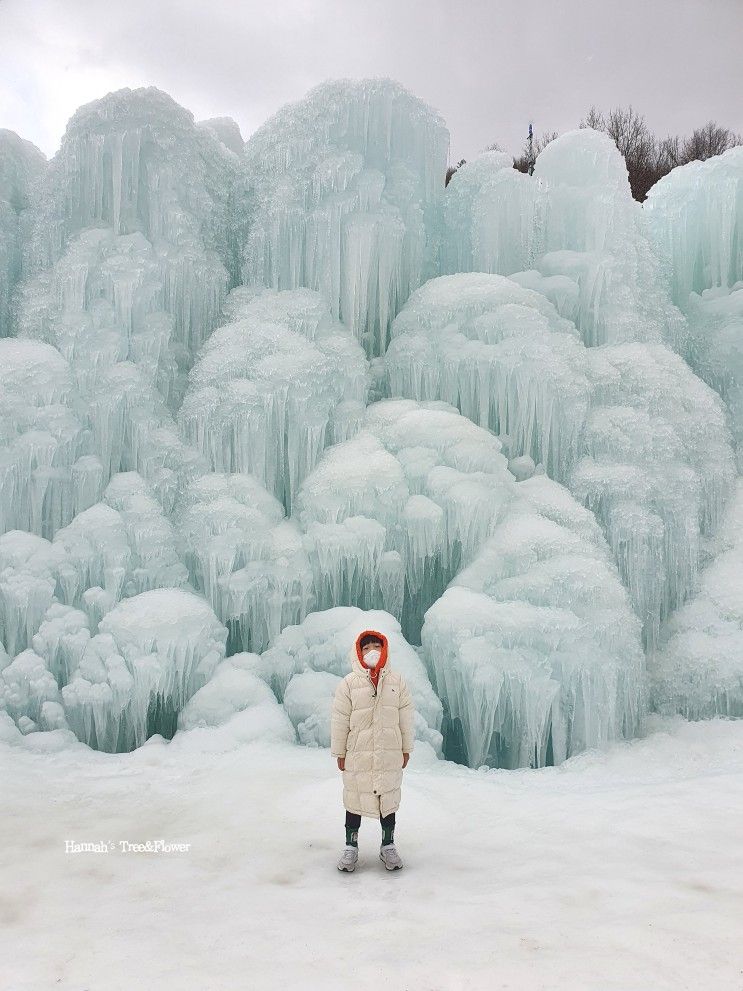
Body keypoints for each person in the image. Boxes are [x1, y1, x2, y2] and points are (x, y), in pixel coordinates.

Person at [330, 629, 415, 872]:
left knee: (388, 798)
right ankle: (351, 846)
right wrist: (340, 753)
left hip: (389, 751)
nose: (371, 652)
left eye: (375, 647)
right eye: (366, 648)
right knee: (354, 797)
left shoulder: (397, 682)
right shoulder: (349, 683)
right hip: (358, 752)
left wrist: (406, 748)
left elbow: (405, 716)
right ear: (358, 653)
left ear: (384, 650)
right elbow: (340, 719)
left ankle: (388, 845)